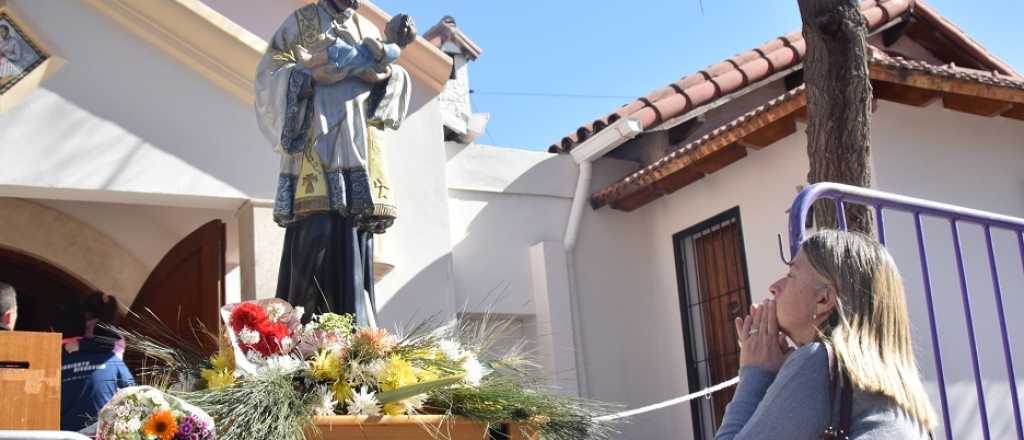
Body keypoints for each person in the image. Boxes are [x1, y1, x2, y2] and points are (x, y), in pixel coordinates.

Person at [255, 0, 412, 325]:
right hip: (317, 148)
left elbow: (388, 81)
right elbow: (270, 74)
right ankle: (306, 334)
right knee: (317, 233)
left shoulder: (368, 28)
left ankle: (357, 337)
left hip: (358, 151)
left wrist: (388, 70)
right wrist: (308, 76)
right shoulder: (301, 22)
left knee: (355, 241)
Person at [715, 230, 936, 439]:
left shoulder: (819, 362)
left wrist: (755, 372)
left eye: (791, 274)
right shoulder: (900, 391)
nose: (774, 287)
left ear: (824, 299)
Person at [57, 304, 134, 432]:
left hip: (57, 432)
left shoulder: (59, 356)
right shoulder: (113, 361)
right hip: (95, 433)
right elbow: (133, 394)